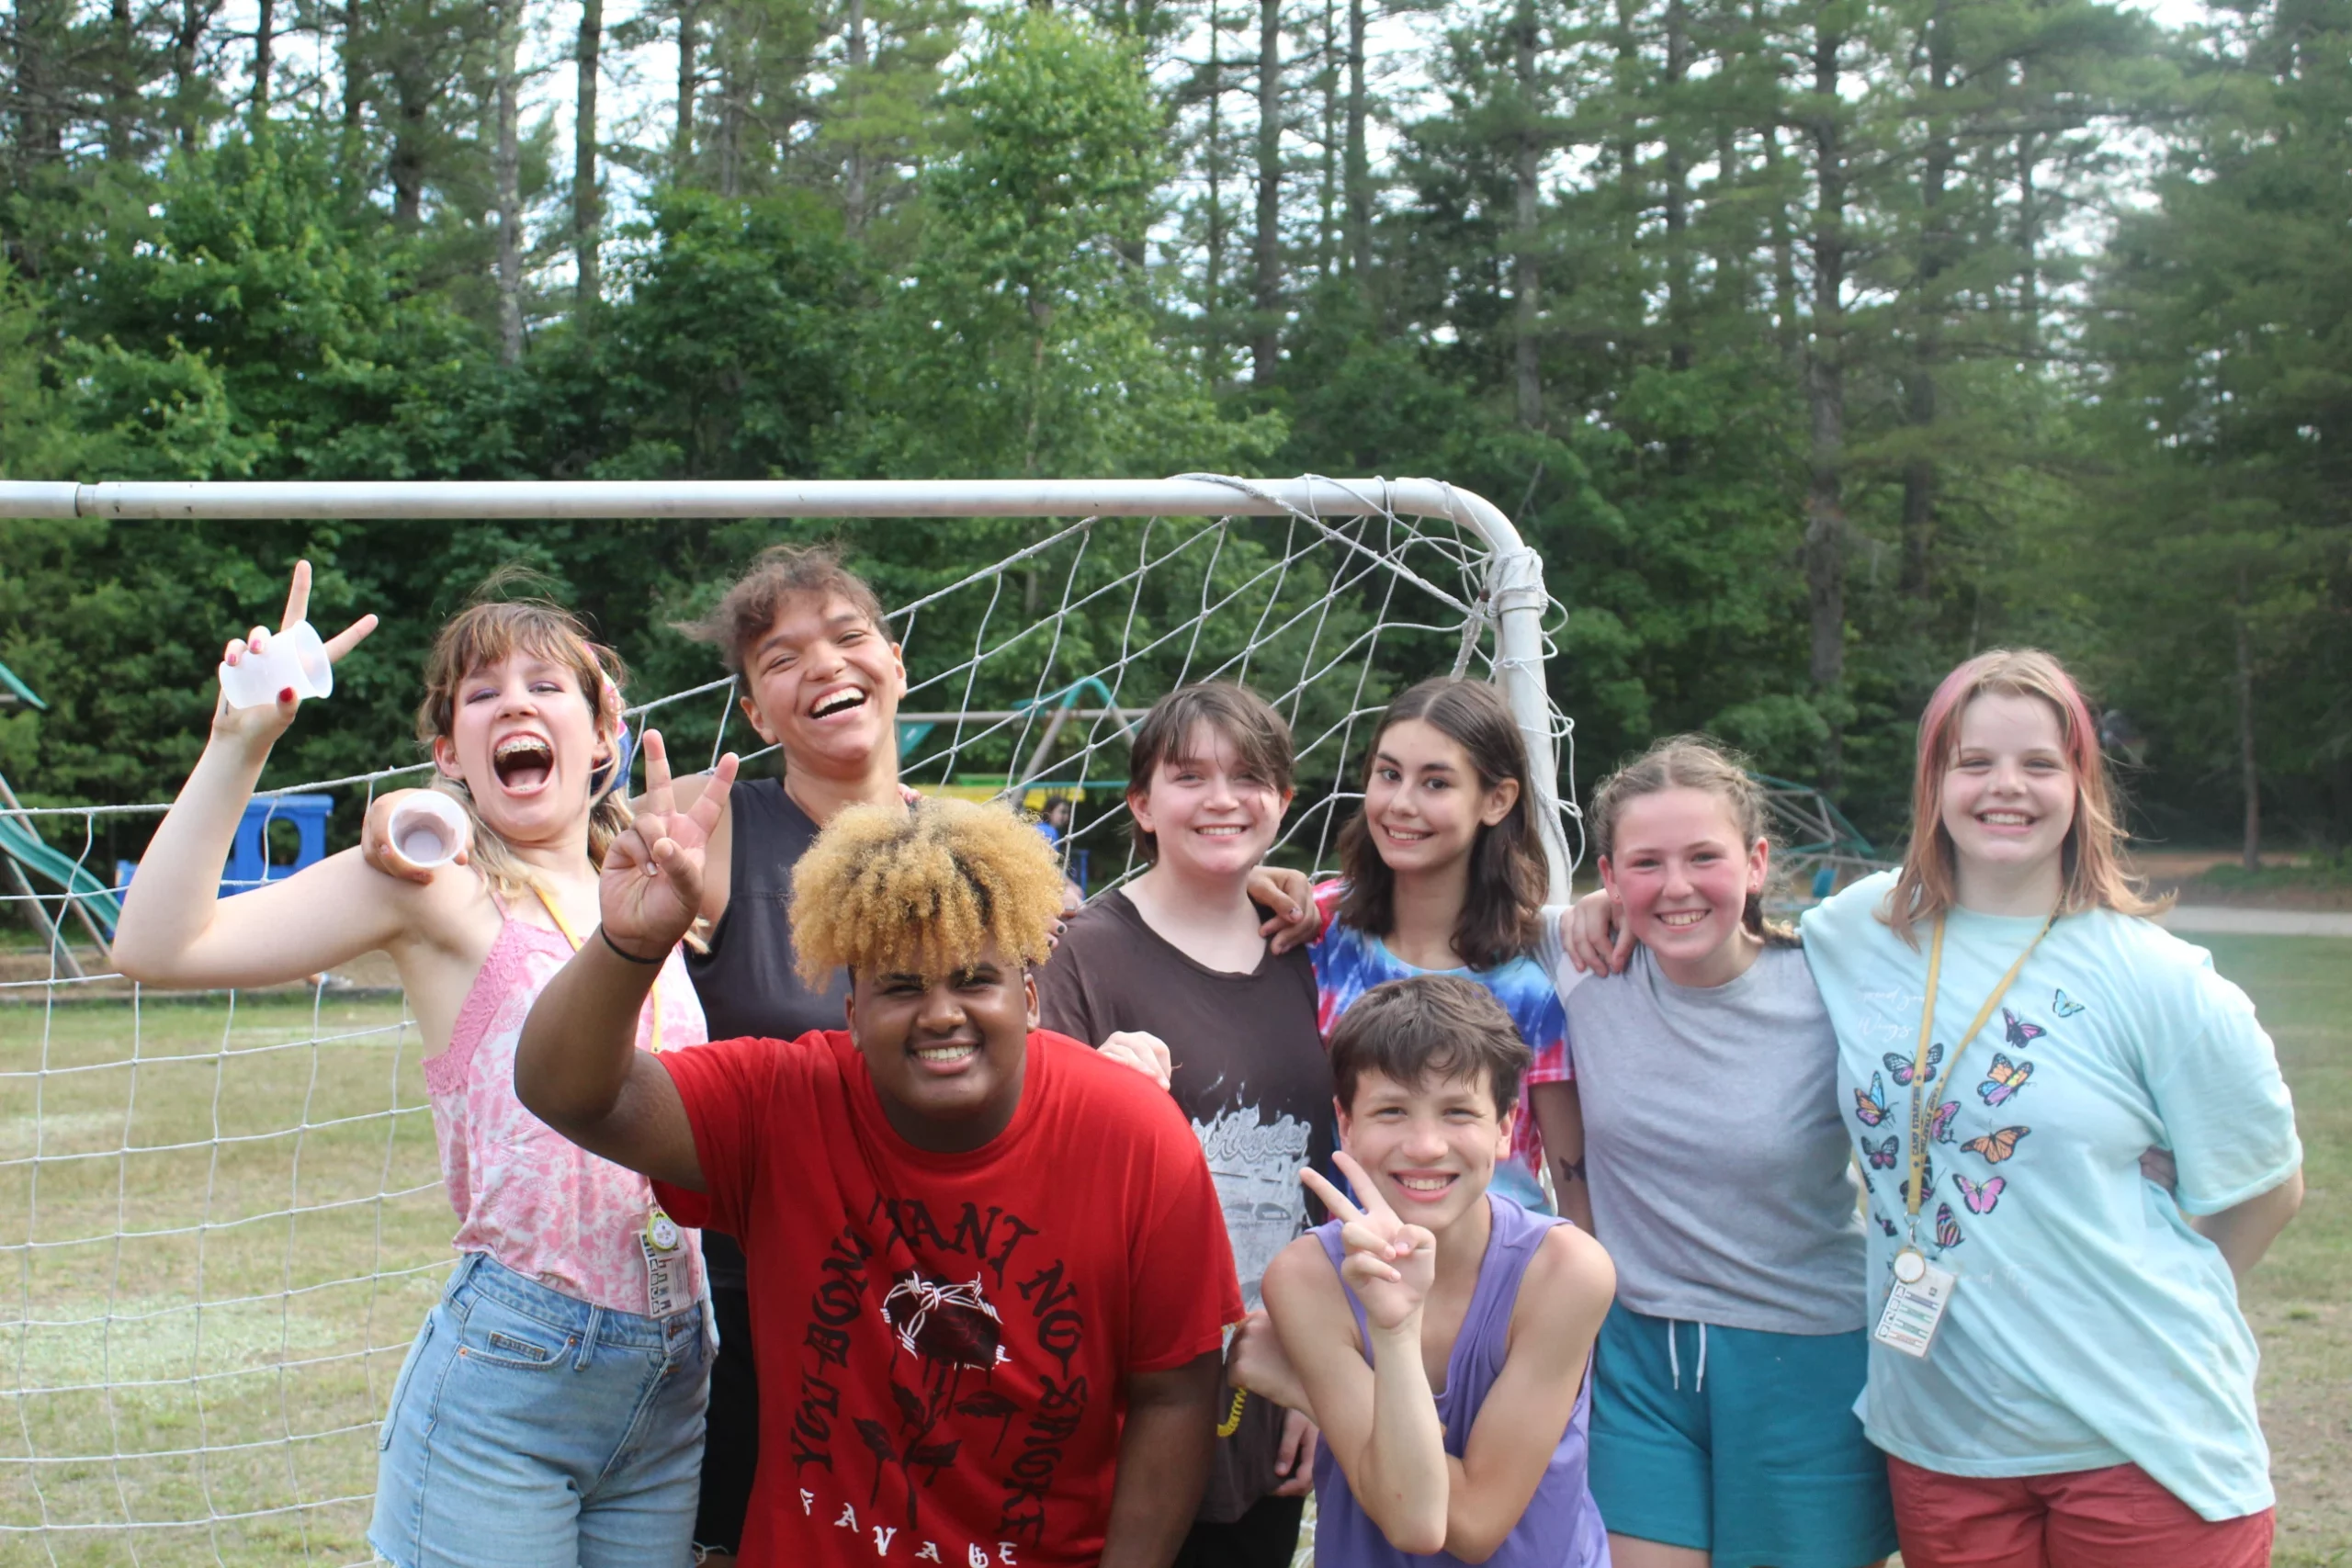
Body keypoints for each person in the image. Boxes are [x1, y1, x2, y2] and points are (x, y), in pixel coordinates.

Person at [1566, 649, 2303, 1568]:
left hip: (2139, 1439)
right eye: (1974, 762)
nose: (2006, 788)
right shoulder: (1858, 931)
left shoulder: (2160, 981)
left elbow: (2266, 1188)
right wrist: (1609, 901)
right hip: (1941, 1441)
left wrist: (2147, 1310)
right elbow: (1707, 904)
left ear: (2081, 782)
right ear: (1934, 783)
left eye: (2038, 763)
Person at [113, 569, 714, 1568]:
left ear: (604, 731)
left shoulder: (661, 886)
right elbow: (157, 946)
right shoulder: (437, 887)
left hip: (676, 1370)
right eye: (481, 694)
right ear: (450, 755)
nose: (514, 701)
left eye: (545, 684)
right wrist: (242, 739)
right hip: (517, 1370)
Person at [513, 767, 1243, 1567]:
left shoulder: (1136, 1136)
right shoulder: (783, 1101)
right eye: (900, 986)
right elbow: (570, 1092)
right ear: (852, 1014)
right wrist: (632, 942)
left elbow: (1176, 1391)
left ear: (1030, 998)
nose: (941, 1012)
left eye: (974, 978)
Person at [365, 542, 917, 1562]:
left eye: (846, 638)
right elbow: (560, 851)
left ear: (895, 658)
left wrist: (1270, 890)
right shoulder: (699, 832)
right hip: (745, 1323)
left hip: (901, 1317)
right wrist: (417, 813)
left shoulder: (978, 852)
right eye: (781, 657)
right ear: (751, 710)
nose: (825, 666)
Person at [1531, 739, 1895, 1568]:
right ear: (1612, 877)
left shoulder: (1827, 984)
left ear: (1758, 861)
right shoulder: (1581, 962)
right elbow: (1432, 907)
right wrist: (1288, 889)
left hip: (1804, 1350)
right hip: (1637, 1354)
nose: (1678, 886)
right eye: (1646, 863)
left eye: (1705, 856)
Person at [1034, 682, 1329, 1568]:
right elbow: (1025, 1158)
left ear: (1283, 799)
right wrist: (1091, 1090)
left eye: (1248, 776)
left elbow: (1336, 1181)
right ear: (1142, 803)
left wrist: (1322, 1374)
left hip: (1271, 1389)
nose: (1221, 799)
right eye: (1188, 775)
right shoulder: (1080, 952)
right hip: (1122, 1395)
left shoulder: (1309, 950)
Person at [1228, 975, 1614, 1566]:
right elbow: (1415, 1519)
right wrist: (1393, 1328)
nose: (1427, 1144)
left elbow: (1476, 1524)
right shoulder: (1308, 1278)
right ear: (1346, 1124)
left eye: (1458, 1111)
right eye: (1392, 1111)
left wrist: (1305, 1387)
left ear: (1507, 1126)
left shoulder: (1565, 1272)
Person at [1278, 677, 1570, 1214]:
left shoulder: (1534, 980)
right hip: (1341, 1261)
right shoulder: (1316, 928)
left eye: (1435, 784)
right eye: (1389, 775)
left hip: (1490, 1275)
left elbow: (1573, 1182)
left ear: (1497, 799)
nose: (1401, 804)